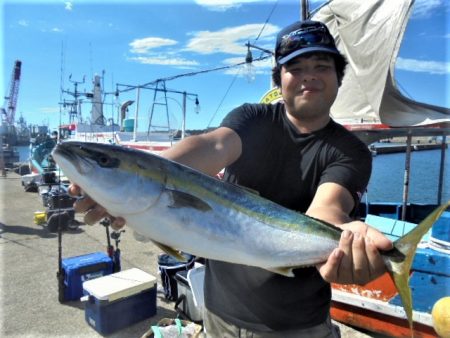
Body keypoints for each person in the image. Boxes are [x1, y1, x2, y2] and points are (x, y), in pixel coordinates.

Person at [70, 20, 392, 337]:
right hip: (218, 314)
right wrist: (129, 182)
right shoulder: (252, 119)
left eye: (321, 65)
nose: (308, 75)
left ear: (339, 76)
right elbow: (212, 146)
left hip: (295, 327)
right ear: (279, 80)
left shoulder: (351, 151)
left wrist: (340, 242)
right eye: (295, 67)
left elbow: (327, 210)